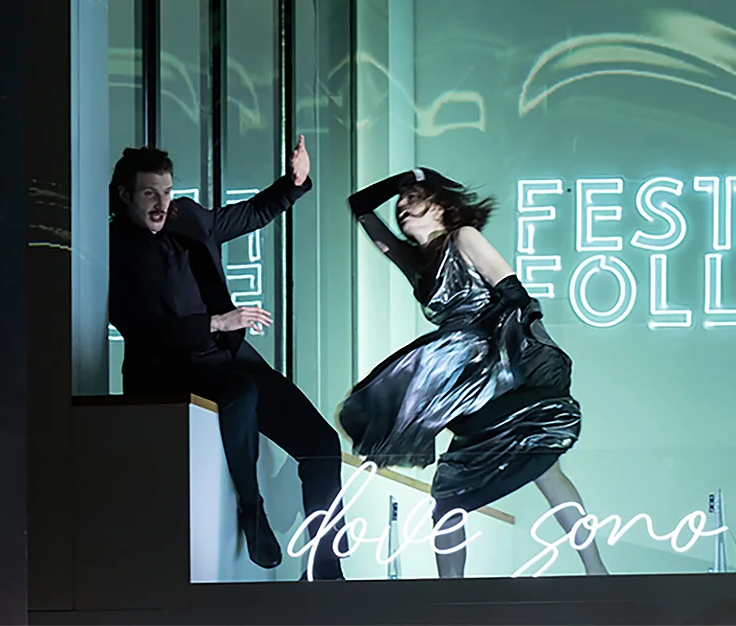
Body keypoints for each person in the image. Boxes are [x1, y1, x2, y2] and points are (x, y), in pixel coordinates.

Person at [338, 167, 609, 579]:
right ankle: (451, 594)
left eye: (413, 199)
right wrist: (406, 180)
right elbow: (360, 205)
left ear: (441, 207)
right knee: (447, 495)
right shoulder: (414, 263)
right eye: (400, 202)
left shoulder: (463, 238)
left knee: (546, 470)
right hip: (465, 383)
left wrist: (503, 359)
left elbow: (515, 296)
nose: (402, 207)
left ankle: (596, 570)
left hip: (501, 369)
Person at [107, 138, 346, 581]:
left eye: (166, 192)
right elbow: (139, 328)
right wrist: (216, 323)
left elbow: (248, 215)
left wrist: (293, 183)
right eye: (149, 194)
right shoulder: (113, 249)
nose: (161, 204)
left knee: (322, 443)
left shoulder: (187, 217)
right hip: (168, 368)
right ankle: (251, 509)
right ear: (125, 195)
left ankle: (326, 568)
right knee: (242, 391)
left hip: (227, 358)